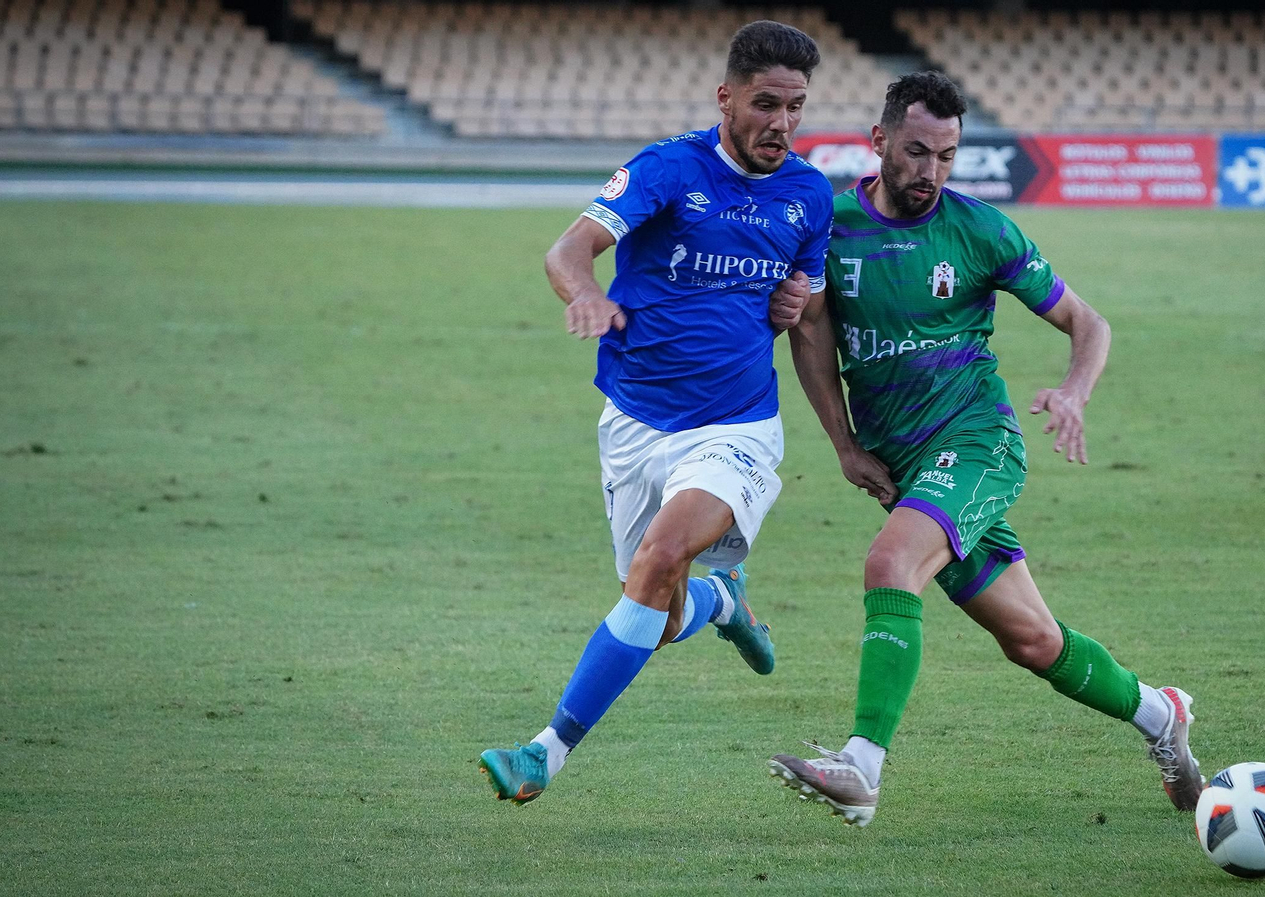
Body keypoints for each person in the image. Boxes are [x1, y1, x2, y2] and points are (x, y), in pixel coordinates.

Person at [769, 72, 1203, 827]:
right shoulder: (833, 227)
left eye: (946, 155)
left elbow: (1087, 323)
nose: (930, 172)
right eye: (915, 152)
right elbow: (811, 332)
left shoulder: (980, 231)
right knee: (1035, 641)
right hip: (909, 469)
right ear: (877, 144)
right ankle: (1163, 717)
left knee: (889, 563)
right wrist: (842, 445)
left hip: (977, 445)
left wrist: (1073, 391)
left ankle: (861, 766)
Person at [479, 20, 833, 805]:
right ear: (727, 97)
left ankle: (544, 752)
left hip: (735, 424)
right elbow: (566, 252)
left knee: (663, 551)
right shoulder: (668, 168)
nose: (781, 123)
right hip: (636, 424)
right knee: (660, 604)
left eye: (796, 107)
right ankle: (722, 600)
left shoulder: (810, 194)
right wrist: (589, 295)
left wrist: (795, 303)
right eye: (766, 103)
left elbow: (801, 305)